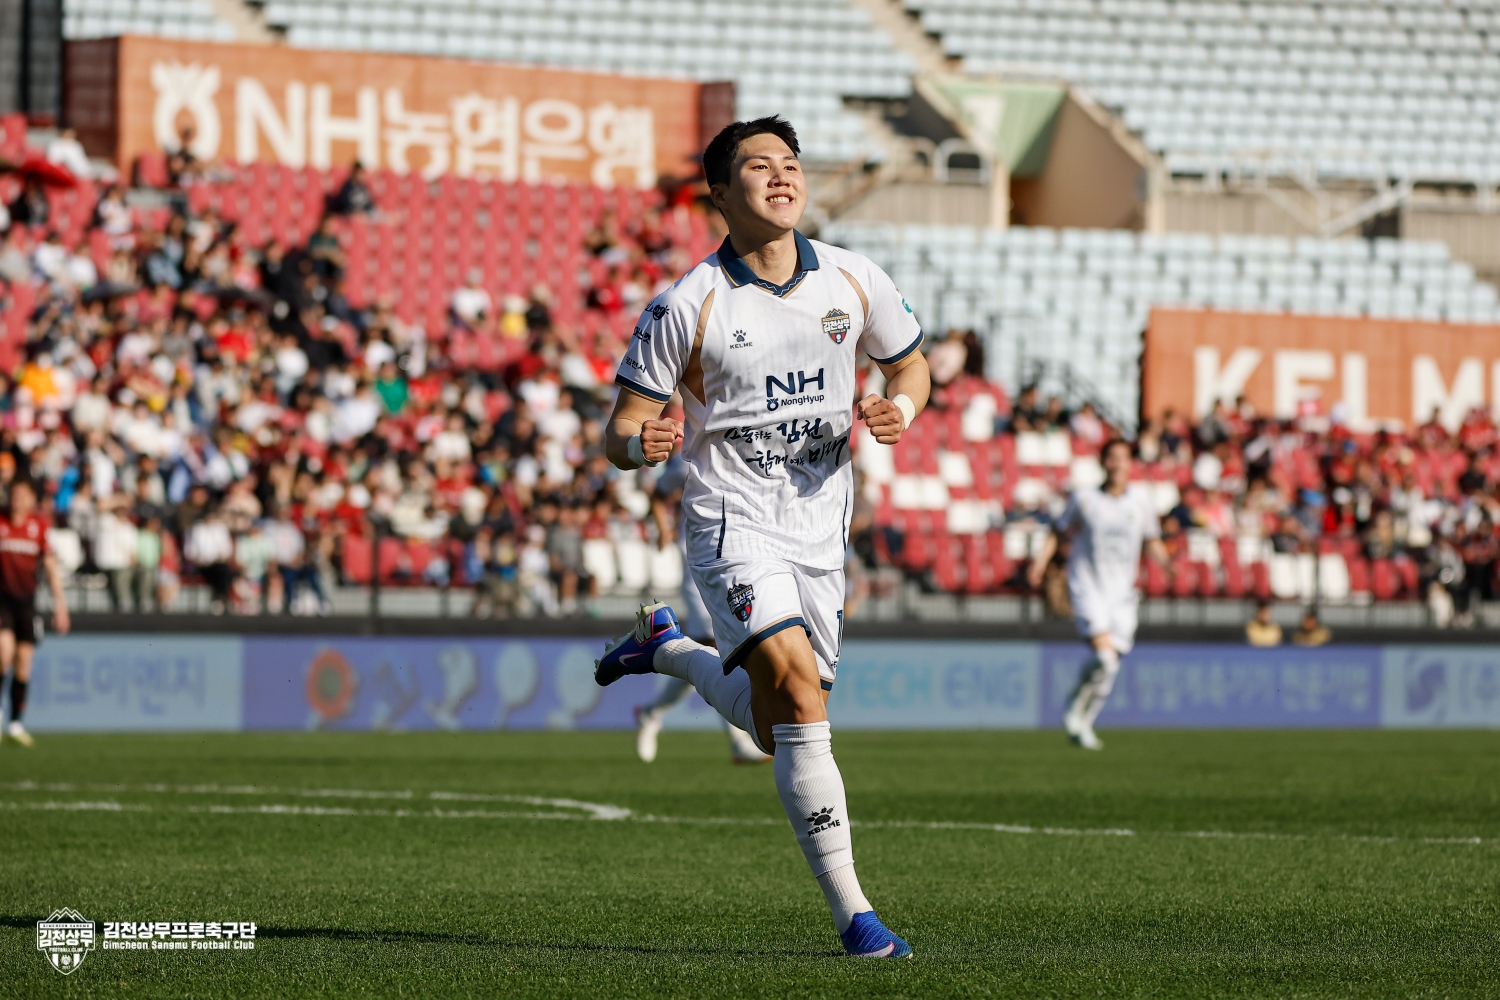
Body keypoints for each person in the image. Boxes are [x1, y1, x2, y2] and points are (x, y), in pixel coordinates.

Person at [594, 117, 929, 959]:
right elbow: (619, 429)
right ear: (719, 192)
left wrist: (900, 406)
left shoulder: (854, 278)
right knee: (800, 702)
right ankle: (858, 921)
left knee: (779, 727)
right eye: (758, 166)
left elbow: (910, 364)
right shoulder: (688, 303)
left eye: (790, 163)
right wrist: (641, 445)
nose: (782, 176)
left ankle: (670, 650)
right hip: (731, 520)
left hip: (820, 529)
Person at [1027, 439, 1168, 751]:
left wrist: (1169, 564)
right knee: (1104, 658)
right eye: (1112, 458)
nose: (1117, 464)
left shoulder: (1141, 502)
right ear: (1103, 463)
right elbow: (1058, 532)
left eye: (1123, 458)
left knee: (1110, 665)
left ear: (1131, 464)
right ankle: (1076, 708)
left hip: (1123, 595)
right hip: (1088, 587)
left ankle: (1083, 718)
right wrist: (1040, 563)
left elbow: (1152, 540)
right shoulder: (1084, 499)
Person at [632, 482, 770, 765]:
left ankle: (652, 712)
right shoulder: (689, 458)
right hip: (700, 569)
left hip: (737, 564)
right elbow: (659, 493)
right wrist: (664, 528)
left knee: (708, 653)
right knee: (716, 648)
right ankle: (738, 742)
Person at [0, 479, 71, 746]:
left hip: (26, 603)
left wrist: (60, 605)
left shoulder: (38, 526)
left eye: (22, 495)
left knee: (23, 662)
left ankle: (15, 723)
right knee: (3, 653)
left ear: (31, 499)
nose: (16, 499)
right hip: (2, 601)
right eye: (13, 494)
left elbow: (50, 566)